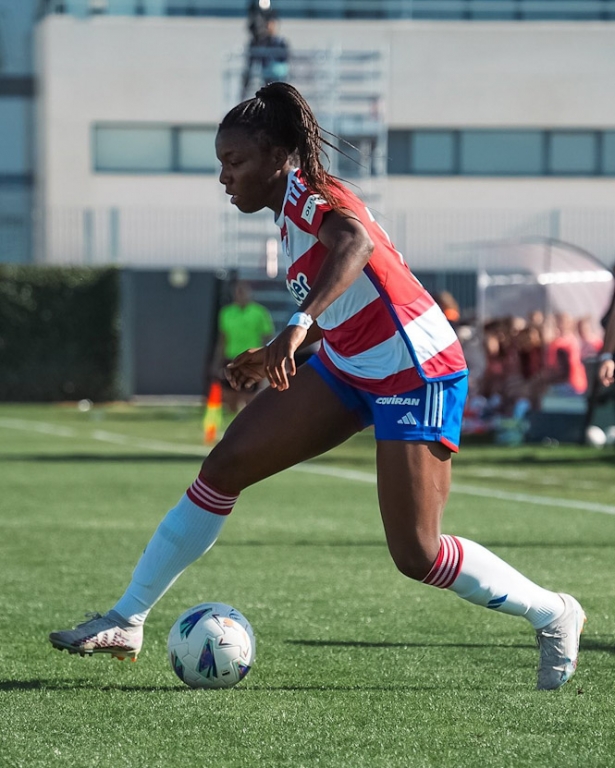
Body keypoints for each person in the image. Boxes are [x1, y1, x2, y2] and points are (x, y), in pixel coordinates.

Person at [49, 82, 585, 691]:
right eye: (221, 164)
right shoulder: (288, 213)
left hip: (417, 368)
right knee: (223, 468)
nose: (225, 177)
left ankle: (554, 612)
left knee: (417, 553)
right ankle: (127, 618)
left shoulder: (310, 193)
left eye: (235, 161)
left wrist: (297, 327)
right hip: (351, 365)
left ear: (278, 157)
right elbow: (357, 304)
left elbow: (355, 244)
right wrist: (287, 349)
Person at [212, 280, 274, 413]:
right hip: (231, 357)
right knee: (229, 395)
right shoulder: (226, 313)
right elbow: (223, 338)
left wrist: (265, 359)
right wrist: (218, 361)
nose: (240, 294)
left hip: (251, 359)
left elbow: (267, 336)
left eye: (243, 291)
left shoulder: (259, 312)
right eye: (237, 291)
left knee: (250, 397)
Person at [242, 11, 290, 99]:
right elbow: (254, 61)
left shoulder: (280, 42)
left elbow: (285, 57)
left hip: (278, 75)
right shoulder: (261, 42)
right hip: (267, 74)